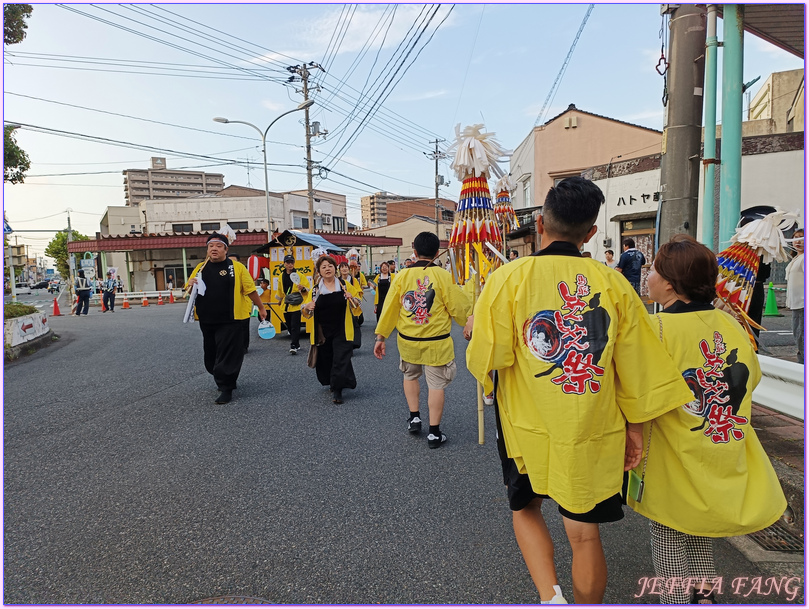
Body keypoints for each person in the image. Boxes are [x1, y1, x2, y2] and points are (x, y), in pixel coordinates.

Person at [465, 177, 694, 604]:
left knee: (525, 507)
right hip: (591, 425)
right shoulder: (613, 284)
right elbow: (638, 369)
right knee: (585, 534)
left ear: (540, 224)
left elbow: (487, 359)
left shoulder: (507, 279)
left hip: (526, 427)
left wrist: (478, 333)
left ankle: (551, 598)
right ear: (590, 233)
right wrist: (636, 429)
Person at [629, 234, 787, 604]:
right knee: (701, 530)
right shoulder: (731, 323)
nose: (647, 277)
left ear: (669, 282)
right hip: (719, 444)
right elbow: (750, 378)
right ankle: (705, 599)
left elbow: (640, 393)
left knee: (668, 533)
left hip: (672, 452)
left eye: (652, 270)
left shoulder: (656, 330)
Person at [374, 232, 472, 449]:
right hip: (436, 341)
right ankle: (434, 433)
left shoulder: (401, 276)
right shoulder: (445, 276)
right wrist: (470, 322)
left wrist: (381, 337)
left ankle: (415, 417)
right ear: (438, 253)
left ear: (414, 250)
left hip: (408, 340)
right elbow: (459, 307)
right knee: (436, 385)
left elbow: (390, 308)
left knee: (410, 376)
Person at [187, 233, 267, 404]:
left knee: (228, 353)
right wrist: (190, 284)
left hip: (231, 319)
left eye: (218, 246)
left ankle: (227, 387)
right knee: (211, 356)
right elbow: (188, 290)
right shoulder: (201, 267)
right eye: (211, 246)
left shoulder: (236, 267)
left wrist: (261, 307)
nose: (214, 249)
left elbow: (250, 289)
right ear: (207, 249)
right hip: (207, 319)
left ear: (225, 249)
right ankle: (221, 376)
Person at [301, 255, 362, 404]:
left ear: (335, 268)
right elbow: (306, 312)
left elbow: (357, 304)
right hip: (323, 330)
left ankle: (338, 390)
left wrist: (352, 298)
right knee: (327, 359)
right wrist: (307, 307)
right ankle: (333, 382)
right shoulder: (316, 290)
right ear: (319, 272)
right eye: (323, 267)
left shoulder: (344, 285)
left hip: (342, 328)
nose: (327, 269)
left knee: (340, 358)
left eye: (330, 266)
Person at [272, 254, 310, 355]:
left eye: (291, 262)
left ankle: (293, 345)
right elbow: (280, 289)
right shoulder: (281, 276)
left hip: (296, 303)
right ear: (284, 264)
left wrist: (303, 288)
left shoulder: (299, 275)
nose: (290, 264)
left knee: (295, 325)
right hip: (286, 303)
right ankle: (296, 343)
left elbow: (307, 287)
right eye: (288, 262)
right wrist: (279, 299)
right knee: (289, 325)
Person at [786, 228, 804, 364]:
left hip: (802, 303)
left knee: (801, 336)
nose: (798, 241)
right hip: (796, 303)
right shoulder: (797, 258)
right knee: (798, 336)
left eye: (802, 238)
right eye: (796, 237)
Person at [229, 253, 252, 354]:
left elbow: (250, 289)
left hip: (243, 305)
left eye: (234, 261)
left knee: (244, 327)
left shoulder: (242, 271)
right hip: (230, 307)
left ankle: (244, 346)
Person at [338, 261, 363, 349]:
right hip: (342, 305)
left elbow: (358, 290)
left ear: (349, 269)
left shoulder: (353, 280)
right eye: (342, 267)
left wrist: (354, 297)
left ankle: (352, 343)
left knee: (353, 325)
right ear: (339, 270)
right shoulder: (337, 281)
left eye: (346, 267)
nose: (344, 269)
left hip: (352, 304)